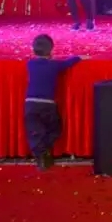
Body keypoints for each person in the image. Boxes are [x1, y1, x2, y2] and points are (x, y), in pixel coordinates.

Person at [24, 34, 82, 170]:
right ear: (51, 50)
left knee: (34, 132)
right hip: (47, 104)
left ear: (33, 50)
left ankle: (41, 157)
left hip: (30, 104)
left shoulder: (30, 64)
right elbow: (67, 63)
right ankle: (45, 152)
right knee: (55, 129)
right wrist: (78, 57)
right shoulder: (55, 65)